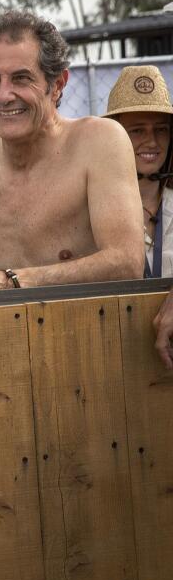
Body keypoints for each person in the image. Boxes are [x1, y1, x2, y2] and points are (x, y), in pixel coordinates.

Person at [0, 9, 145, 291]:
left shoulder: (98, 143)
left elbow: (127, 262)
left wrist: (10, 280)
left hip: (86, 330)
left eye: (21, 78)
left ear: (57, 84)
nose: (4, 95)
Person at [102, 64, 173, 366]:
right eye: (136, 130)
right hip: (113, 361)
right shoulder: (92, 209)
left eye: (161, 130)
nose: (152, 142)